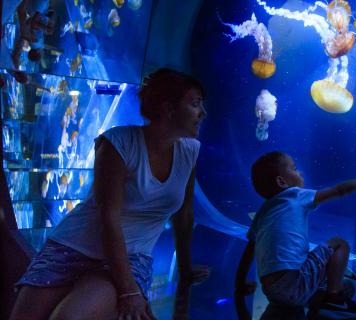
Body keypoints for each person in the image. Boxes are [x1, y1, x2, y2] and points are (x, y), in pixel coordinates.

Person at [10, 68, 209, 320]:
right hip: (72, 247)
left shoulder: (190, 152)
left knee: (69, 318)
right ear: (168, 107)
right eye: (195, 104)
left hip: (131, 256)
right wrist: (129, 293)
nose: (202, 113)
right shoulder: (118, 143)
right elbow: (109, 219)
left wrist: (185, 268)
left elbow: (184, 213)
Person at [235, 151, 356, 319]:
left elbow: (249, 250)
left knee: (335, 282)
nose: (300, 173)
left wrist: (240, 283)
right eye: (294, 168)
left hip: (271, 291)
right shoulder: (295, 195)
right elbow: (339, 190)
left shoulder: (263, 211)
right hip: (294, 282)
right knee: (338, 244)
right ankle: (334, 299)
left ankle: (317, 305)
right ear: (281, 181)